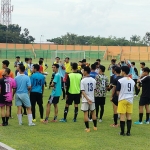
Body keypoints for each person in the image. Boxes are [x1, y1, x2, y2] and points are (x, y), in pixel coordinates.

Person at [116, 66, 135, 136]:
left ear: (123, 72)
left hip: (122, 99)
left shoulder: (120, 80)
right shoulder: (132, 81)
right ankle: (128, 132)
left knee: (122, 116)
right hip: (130, 100)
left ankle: (122, 132)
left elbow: (118, 92)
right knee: (129, 116)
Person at [81, 66, 97, 132]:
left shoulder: (83, 80)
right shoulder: (93, 80)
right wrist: (91, 98)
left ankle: (87, 128)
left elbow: (82, 91)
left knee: (85, 113)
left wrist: (87, 99)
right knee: (93, 112)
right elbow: (94, 90)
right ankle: (95, 127)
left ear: (85, 71)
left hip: (86, 99)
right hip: (92, 99)